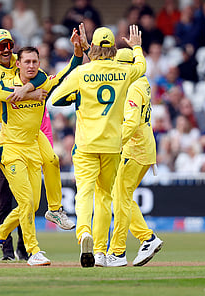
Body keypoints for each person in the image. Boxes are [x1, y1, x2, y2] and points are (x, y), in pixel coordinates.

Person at [0, 29, 76, 259]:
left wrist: (77, 54)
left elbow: (46, 77)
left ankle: (48, 213)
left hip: (30, 137)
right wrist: (32, 94)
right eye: (1, 46)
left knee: (51, 164)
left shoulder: (20, 62)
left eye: (9, 45)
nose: (7, 50)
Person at [51, 25, 146, 267]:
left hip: (85, 144)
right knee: (104, 197)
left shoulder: (82, 73)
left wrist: (79, 96)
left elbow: (56, 98)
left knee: (84, 193)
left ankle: (84, 233)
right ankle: (101, 252)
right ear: (114, 49)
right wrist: (136, 46)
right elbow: (141, 67)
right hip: (113, 145)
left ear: (92, 47)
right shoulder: (124, 73)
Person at [106, 48, 163, 267]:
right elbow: (141, 62)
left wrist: (113, 143)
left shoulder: (131, 88)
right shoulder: (143, 80)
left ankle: (118, 252)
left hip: (135, 149)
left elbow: (130, 122)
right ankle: (147, 238)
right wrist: (137, 48)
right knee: (124, 197)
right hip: (144, 148)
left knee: (120, 199)